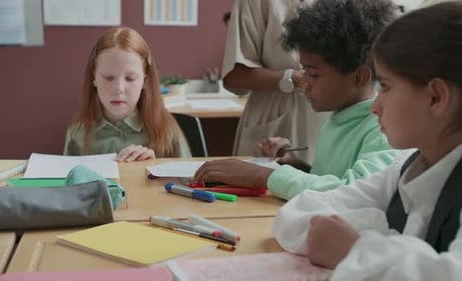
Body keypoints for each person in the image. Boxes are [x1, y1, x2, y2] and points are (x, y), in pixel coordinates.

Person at [273, 2, 462, 280]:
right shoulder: (406, 169)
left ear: (436, 97)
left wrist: (358, 249)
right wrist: (381, 239)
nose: (375, 106)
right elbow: (297, 215)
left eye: (385, 87)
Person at [194, 0, 398, 201]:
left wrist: (263, 176)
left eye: (314, 75)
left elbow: (353, 193)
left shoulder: (382, 130)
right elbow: (327, 179)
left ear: (359, 77)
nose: (304, 82)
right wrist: (293, 166)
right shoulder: (340, 119)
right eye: (304, 71)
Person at [222, 0, 328, 161]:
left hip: (333, 115)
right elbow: (234, 76)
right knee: (269, 180)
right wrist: (292, 78)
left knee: (335, 181)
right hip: (278, 113)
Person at [64, 27, 191, 161]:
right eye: (108, 77)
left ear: (144, 81)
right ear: (94, 78)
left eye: (130, 78)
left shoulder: (166, 130)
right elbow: (69, 180)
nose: (119, 89)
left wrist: (154, 167)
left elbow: (189, 180)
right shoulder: (77, 133)